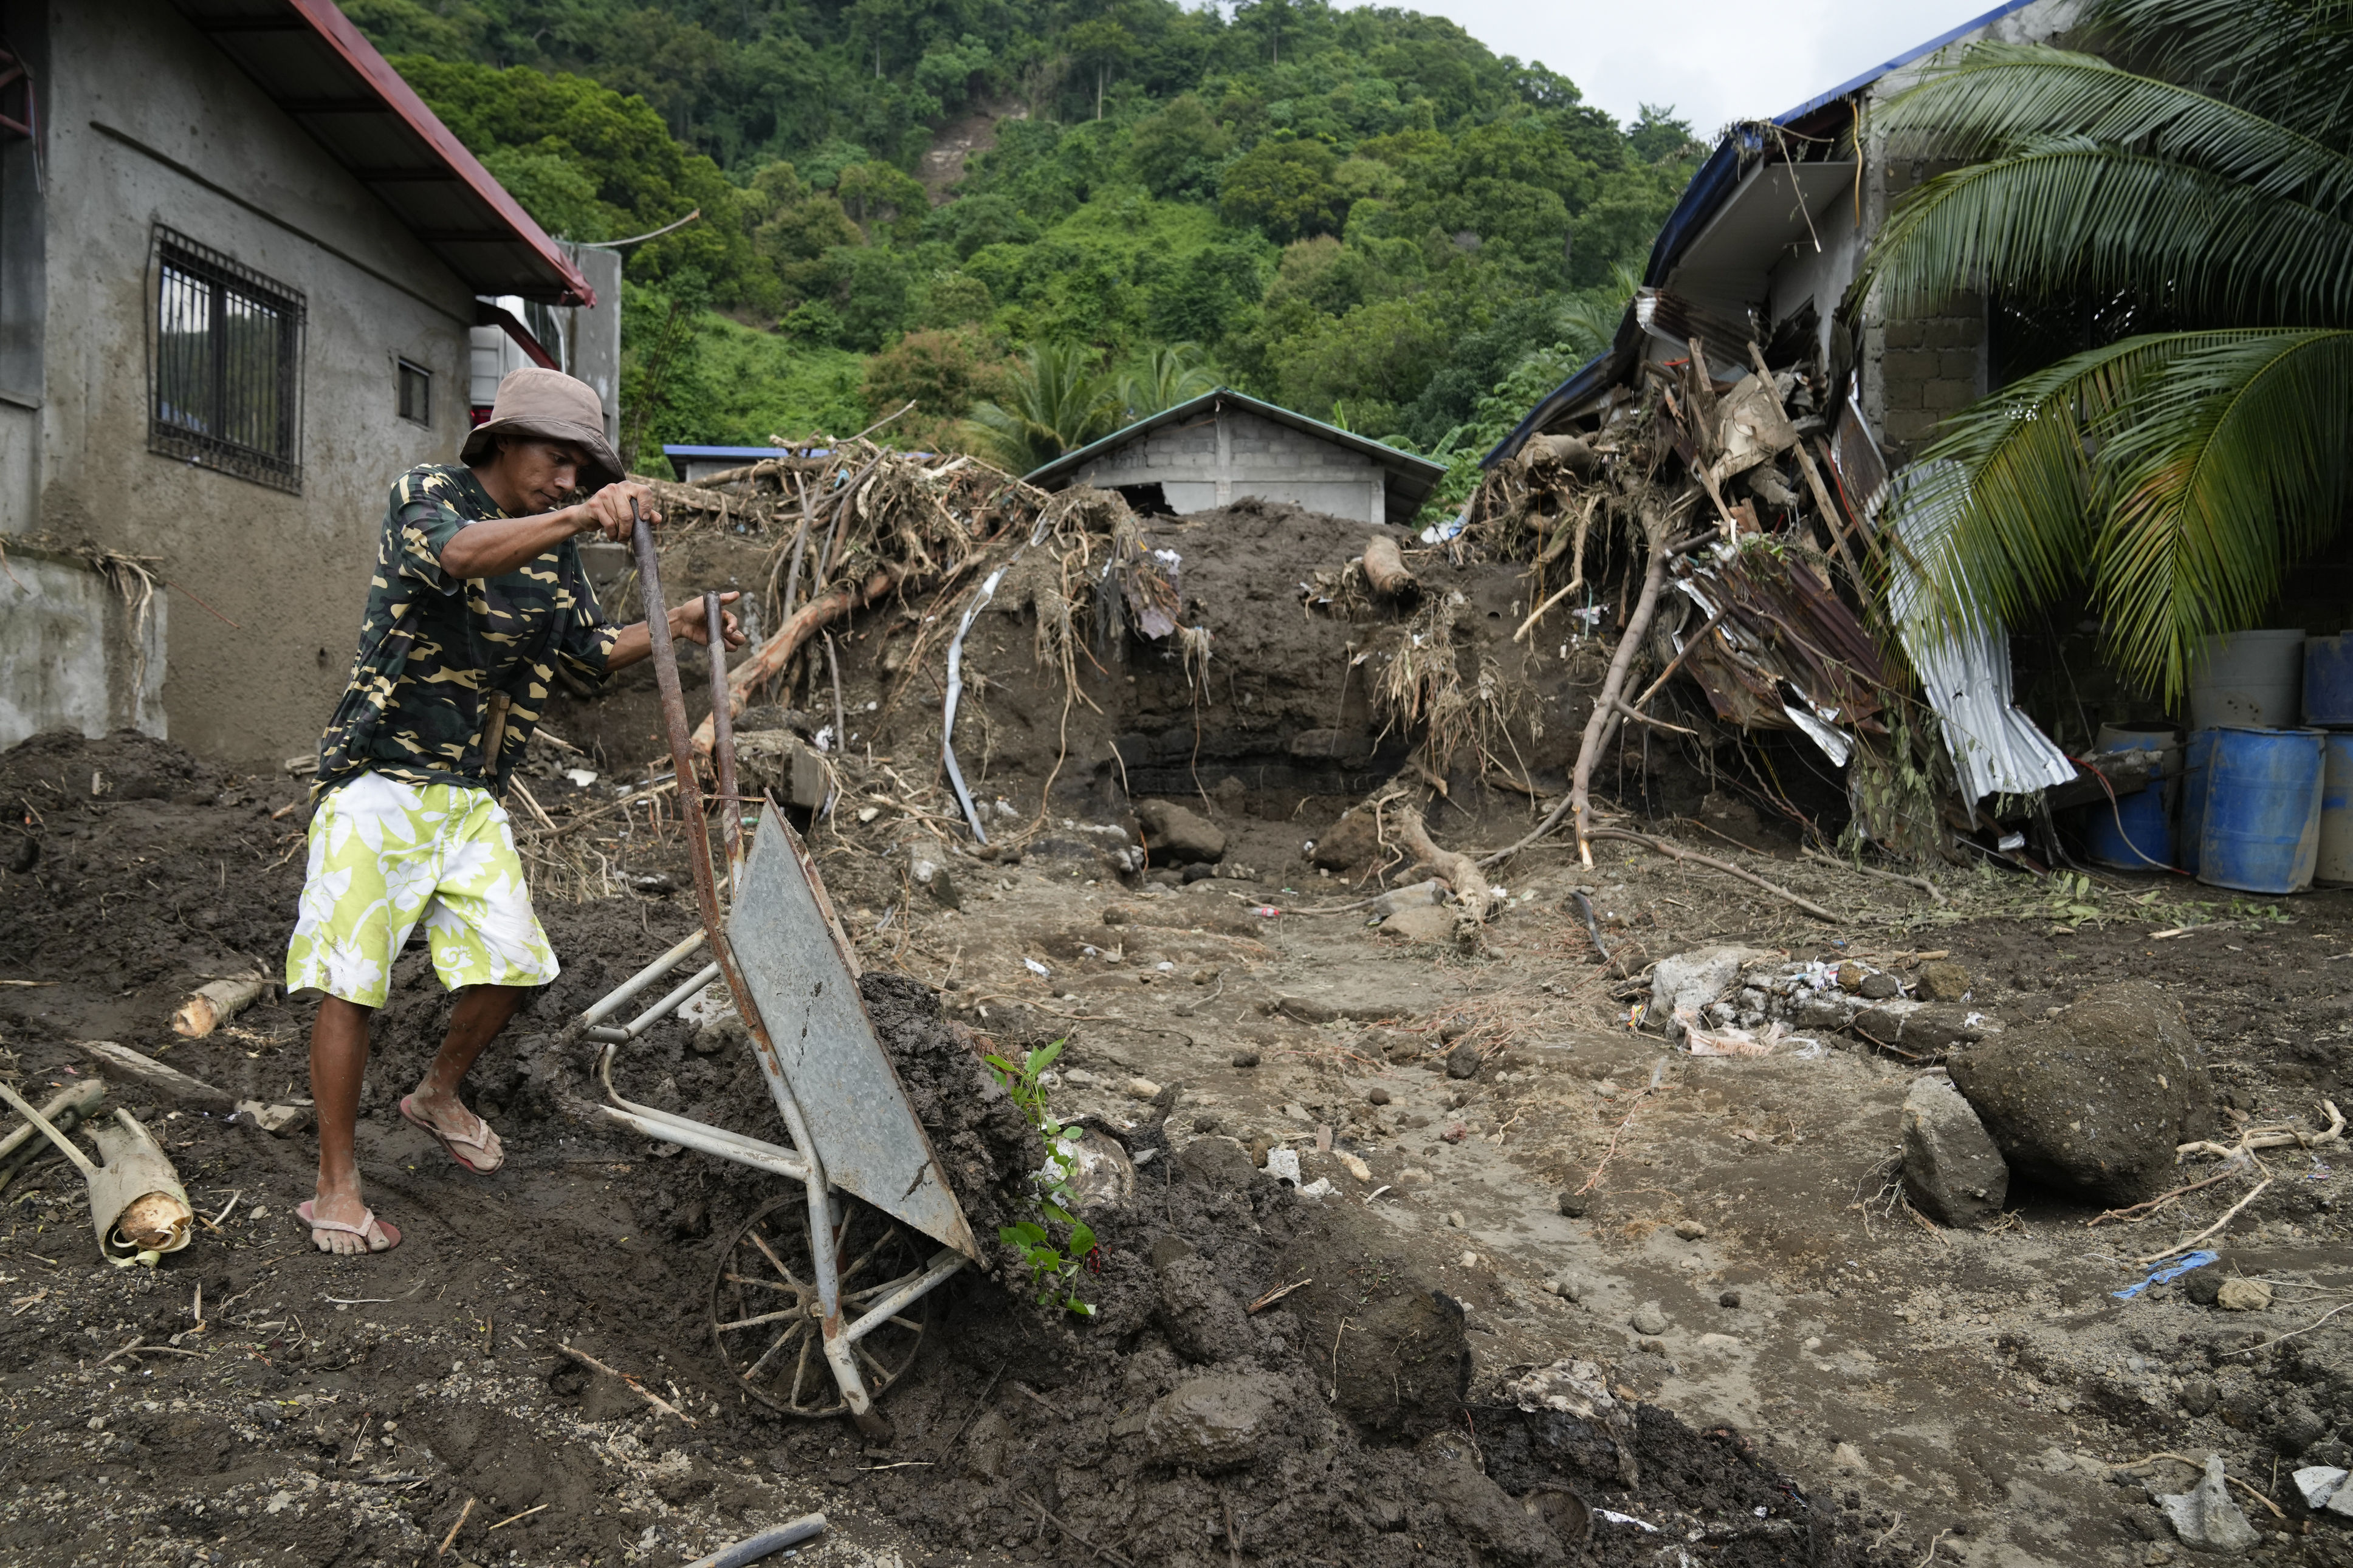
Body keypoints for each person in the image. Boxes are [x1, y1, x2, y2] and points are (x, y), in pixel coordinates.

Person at [284, 366, 744, 1256]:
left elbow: (583, 653)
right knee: (352, 980)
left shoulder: (556, 553)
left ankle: (436, 1093)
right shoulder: (429, 495)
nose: (572, 480)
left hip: (467, 790)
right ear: (505, 438)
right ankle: (336, 1186)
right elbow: (456, 557)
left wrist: (677, 623)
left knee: (515, 962)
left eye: (584, 470)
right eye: (560, 459)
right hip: (379, 777)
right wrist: (575, 518)